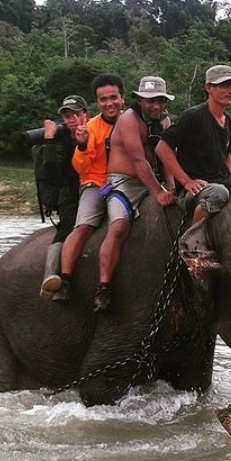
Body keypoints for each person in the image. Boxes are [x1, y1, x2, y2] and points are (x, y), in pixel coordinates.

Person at [155, 64, 231, 274]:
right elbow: (162, 148)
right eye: (223, 86)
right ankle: (192, 246)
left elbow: (226, 154)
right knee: (218, 192)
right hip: (196, 189)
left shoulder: (228, 121)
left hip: (220, 181)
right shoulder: (192, 117)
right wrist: (186, 181)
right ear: (209, 88)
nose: (230, 91)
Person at [92, 76, 177, 312]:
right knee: (118, 226)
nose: (155, 106)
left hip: (153, 179)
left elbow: (166, 155)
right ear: (139, 100)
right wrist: (158, 193)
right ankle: (104, 286)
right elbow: (139, 160)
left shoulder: (165, 120)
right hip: (124, 183)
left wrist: (170, 186)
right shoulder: (128, 119)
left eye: (160, 101)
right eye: (150, 101)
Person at [48, 74, 126, 303]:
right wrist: (81, 145)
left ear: (122, 97)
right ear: (97, 102)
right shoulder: (91, 128)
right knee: (82, 227)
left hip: (127, 183)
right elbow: (80, 168)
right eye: (103, 99)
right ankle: (65, 280)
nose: (109, 103)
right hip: (96, 184)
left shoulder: (132, 121)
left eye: (113, 97)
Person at [38, 95, 90, 298]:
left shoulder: (95, 131)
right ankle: (50, 276)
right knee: (68, 226)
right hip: (70, 193)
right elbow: (51, 172)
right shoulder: (60, 141)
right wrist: (49, 140)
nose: (72, 119)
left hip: (98, 187)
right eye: (67, 116)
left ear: (86, 114)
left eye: (76, 114)